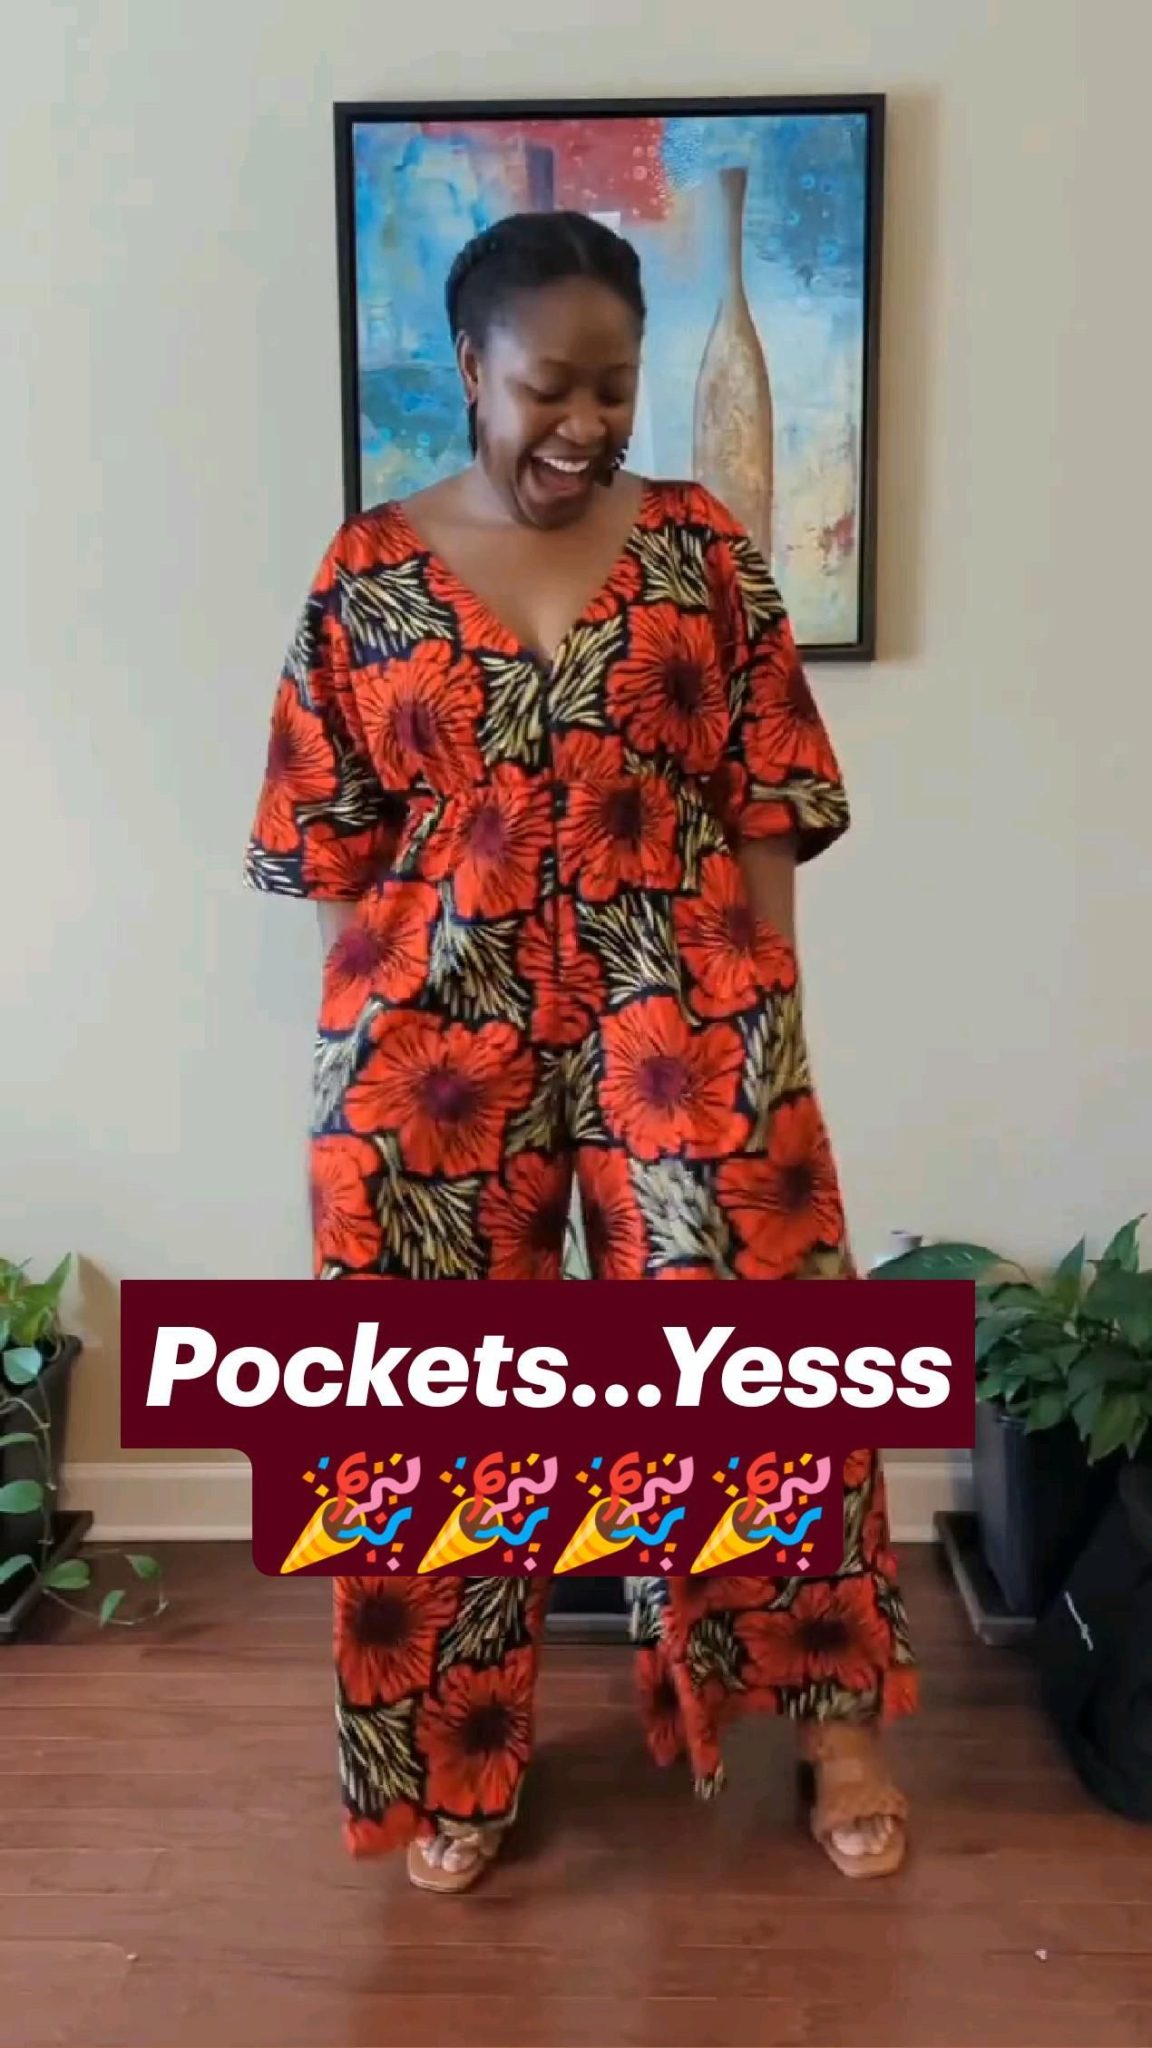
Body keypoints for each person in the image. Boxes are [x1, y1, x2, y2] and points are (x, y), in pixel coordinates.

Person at [244, 209, 916, 1893]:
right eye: (552, 385)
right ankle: (459, 1759)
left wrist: (768, 1011)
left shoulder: (698, 551)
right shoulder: (365, 570)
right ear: (471, 366)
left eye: (615, 387)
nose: (588, 421)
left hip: (683, 1009)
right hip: (428, 1043)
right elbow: (325, 844)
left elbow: (769, 794)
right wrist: (361, 1056)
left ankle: (834, 1724)